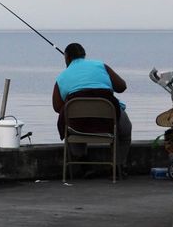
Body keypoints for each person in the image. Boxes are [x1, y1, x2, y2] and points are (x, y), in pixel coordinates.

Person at [52, 42, 132, 170]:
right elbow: (122, 87)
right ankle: (118, 166)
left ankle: (81, 163)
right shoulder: (101, 66)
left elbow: (57, 108)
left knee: (71, 122)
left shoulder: (62, 77)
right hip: (108, 122)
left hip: (78, 126)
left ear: (66, 58)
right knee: (126, 130)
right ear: (84, 55)